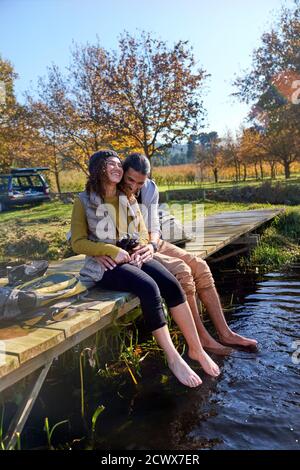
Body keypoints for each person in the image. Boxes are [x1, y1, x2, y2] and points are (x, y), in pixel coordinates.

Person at [71, 149, 221, 388]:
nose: (117, 167)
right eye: (111, 164)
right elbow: (76, 242)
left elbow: (142, 230)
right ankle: (173, 358)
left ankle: (196, 349)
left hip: (131, 257)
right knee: (149, 287)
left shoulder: (127, 197)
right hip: (105, 266)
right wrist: (107, 251)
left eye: (118, 164)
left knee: (171, 283)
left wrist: (142, 247)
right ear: (98, 169)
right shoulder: (83, 201)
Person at [102, 153, 257, 353]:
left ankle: (225, 333)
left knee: (200, 266)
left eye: (140, 182)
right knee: (182, 271)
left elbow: (155, 227)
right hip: (131, 250)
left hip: (151, 243)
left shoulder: (150, 188)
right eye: (130, 180)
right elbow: (79, 233)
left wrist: (153, 246)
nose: (134, 186)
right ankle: (202, 339)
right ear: (123, 172)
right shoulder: (109, 189)